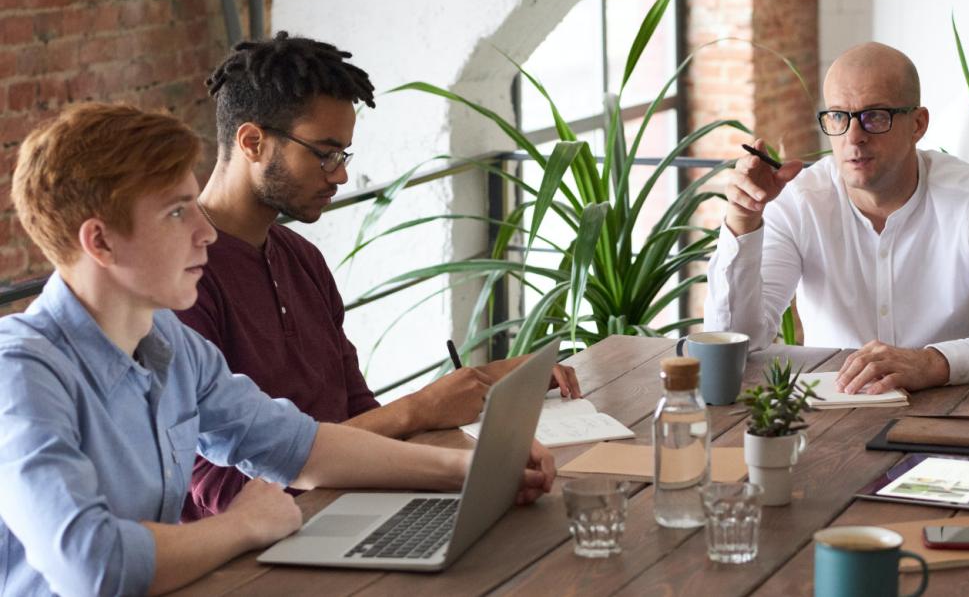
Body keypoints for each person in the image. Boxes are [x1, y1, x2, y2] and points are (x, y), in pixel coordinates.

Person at [0, 104, 555, 596]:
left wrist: (475, 470)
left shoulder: (172, 346)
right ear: (99, 241)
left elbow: (303, 448)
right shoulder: (20, 373)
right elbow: (93, 568)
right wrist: (244, 524)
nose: (206, 233)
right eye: (176, 213)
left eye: (196, 205)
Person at [180, 32, 580, 520]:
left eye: (343, 155)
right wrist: (419, 410)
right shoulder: (183, 280)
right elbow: (222, 495)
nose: (340, 175)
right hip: (256, 555)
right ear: (252, 142)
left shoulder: (302, 259)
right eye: (324, 154)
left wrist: (480, 420)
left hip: (351, 509)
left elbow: (356, 413)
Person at [705, 42, 969, 395]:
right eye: (838, 116)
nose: (854, 137)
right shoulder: (800, 201)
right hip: (834, 414)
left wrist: (932, 363)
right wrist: (742, 220)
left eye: (874, 116)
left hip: (957, 412)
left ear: (917, 124)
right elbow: (735, 344)